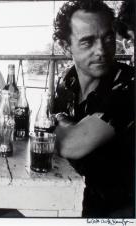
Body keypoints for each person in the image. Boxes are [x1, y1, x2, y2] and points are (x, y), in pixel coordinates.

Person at [52, 0, 135, 217]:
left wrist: (59, 123)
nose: (102, 50)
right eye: (87, 42)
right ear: (65, 45)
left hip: (113, 213)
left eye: (108, 38)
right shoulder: (66, 81)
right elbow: (45, 129)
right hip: (65, 198)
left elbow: (69, 144)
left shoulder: (128, 84)